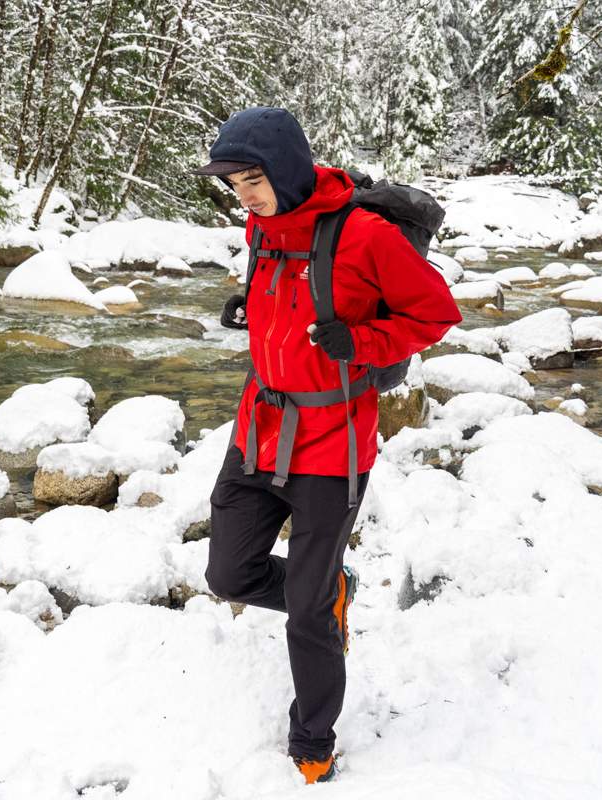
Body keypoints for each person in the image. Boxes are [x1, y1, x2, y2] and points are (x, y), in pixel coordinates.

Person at [192, 107, 462, 784]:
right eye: (234, 183)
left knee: (306, 614)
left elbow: (436, 313)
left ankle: (312, 741)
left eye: (252, 178)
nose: (244, 194)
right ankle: (330, 591)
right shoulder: (262, 225)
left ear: (284, 167)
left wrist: (365, 343)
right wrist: (248, 307)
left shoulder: (366, 236)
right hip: (258, 428)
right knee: (228, 575)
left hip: (333, 442)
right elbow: (284, 295)